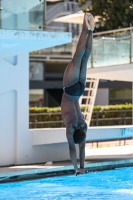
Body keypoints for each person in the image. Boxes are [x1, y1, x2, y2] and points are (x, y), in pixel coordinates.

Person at [61, 13, 95, 176]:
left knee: (86, 57)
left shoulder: (83, 125)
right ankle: (84, 28)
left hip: (79, 90)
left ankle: (91, 31)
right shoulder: (70, 127)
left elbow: (82, 149)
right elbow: (72, 149)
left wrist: (82, 167)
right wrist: (75, 167)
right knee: (78, 56)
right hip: (69, 90)